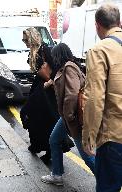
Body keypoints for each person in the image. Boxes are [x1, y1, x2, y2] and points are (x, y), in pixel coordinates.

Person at [41, 43, 95, 186]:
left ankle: (106, 181)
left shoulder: (69, 67)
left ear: (59, 55)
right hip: (67, 116)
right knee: (54, 140)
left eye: (54, 55)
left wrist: (69, 116)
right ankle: (57, 175)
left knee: (87, 155)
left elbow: (72, 93)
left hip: (73, 117)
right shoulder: (66, 67)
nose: (53, 58)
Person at [82, 4, 122, 191]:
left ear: (97, 26)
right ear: (119, 22)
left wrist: (88, 136)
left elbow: (94, 99)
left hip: (113, 137)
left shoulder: (100, 50)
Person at [20, 27, 59, 163]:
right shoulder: (33, 51)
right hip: (38, 87)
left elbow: (55, 67)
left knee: (46, 119)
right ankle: (36, 145)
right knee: (31, 115)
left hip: (46, 90)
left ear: (32, 38)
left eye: (25, 39)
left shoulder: (45, 49)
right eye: (23, 39)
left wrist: (50, 81)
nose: (24, 41)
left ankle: (49, 151)